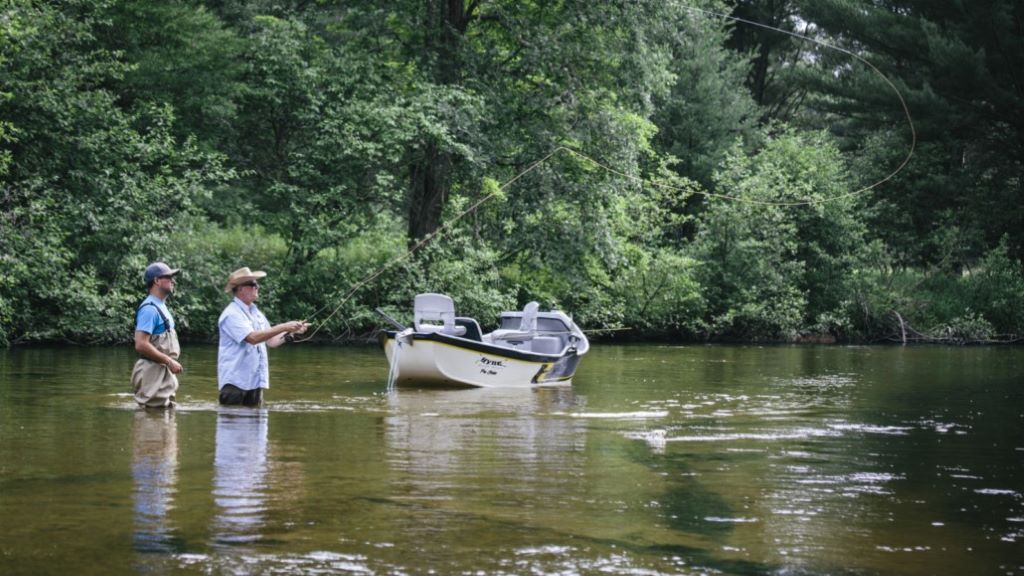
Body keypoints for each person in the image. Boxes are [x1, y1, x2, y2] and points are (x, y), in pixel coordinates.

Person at [217, 267, 308, 406]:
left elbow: (271, 341)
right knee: (233, 426)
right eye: (253, 285)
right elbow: (252, 338)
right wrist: (284, 326)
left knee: (257, 424)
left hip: (255, 382)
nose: (257, 287)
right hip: (235, 383)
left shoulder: (256, 312)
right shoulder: (231, 314)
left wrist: (293, 332)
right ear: (241, 289)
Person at [131, 262, 183, 408]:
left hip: (162, 371)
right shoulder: (149, 309)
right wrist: (169, 361)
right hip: (151, 372)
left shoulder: (161, 305)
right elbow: (141, 344)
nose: (173, 281)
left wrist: (168, 363)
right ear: (157, 280)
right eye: (168, 277)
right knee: (150, 418)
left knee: (164, 417)